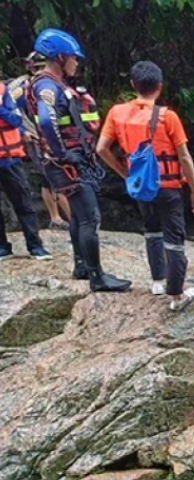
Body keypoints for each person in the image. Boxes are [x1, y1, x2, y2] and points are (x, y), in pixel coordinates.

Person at [27, 28, 131, 292]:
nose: (76, 62)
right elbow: (48, 122)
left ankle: (82, 265)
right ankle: (97, 277)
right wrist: (63, 154)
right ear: (60, 57)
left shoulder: (53, 83)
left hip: (71, 160)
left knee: (78, 216)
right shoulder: (47, 86)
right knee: (89, 218)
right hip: (66, 163)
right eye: (73, 58)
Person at [96, 61, 194, 311]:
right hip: (167, 186)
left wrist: (124, 173)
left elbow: (101, 149)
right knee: (174, 237)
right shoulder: (168, 117)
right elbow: (184, 157)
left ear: (133, 84)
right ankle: (176, 295)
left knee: (152, 229)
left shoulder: (117, 113)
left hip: (141, 186)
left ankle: (158, 280)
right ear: (159, 87)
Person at [7, 52, 71, 231]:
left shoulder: (39, 84)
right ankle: (67, 218)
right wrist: (22, 131)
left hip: (41, 133)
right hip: (34, 135)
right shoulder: (23, 86)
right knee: (53, 174)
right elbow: (9, 110)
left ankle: (57, 217)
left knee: (47, 176)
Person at [0, 77, 52, 261]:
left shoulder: (3, 91)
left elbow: (15, 119)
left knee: (23, 203)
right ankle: (2, 248)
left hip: (9, 159)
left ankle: (35, 246)